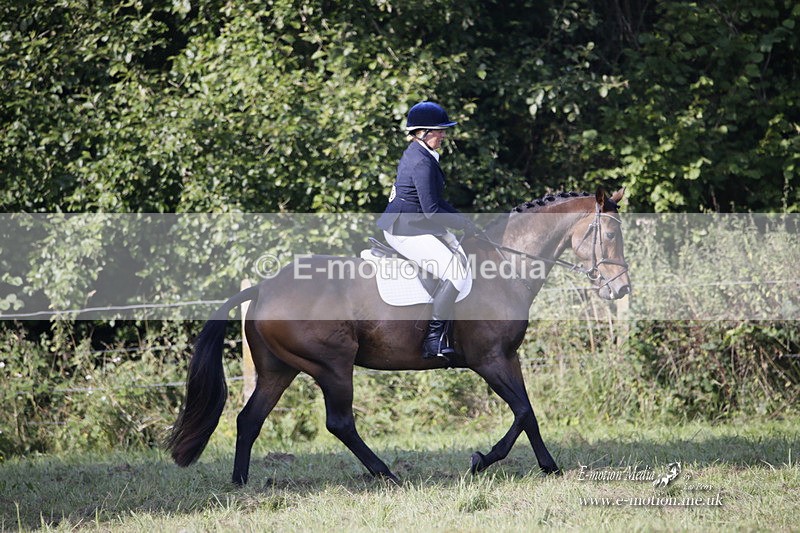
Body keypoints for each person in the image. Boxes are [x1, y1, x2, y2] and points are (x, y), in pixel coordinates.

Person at [377, 101, 476, 360]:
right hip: (406, 229)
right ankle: (434, 340)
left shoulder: (420, 154)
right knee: (456, 272)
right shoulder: (421, 162)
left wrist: (461, 219)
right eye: (438, 130)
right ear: (422, 132)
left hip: (414, 223)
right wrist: (462, 224)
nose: (443, 135)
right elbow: (432, 210)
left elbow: (434, 202)